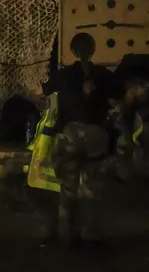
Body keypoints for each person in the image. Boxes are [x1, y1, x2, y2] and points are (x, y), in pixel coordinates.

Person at [42, 32, 123, 247]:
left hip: (69, 134)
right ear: (93, 50)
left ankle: (67, 233)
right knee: (92, 185)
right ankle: (91, 233)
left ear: (72, 51)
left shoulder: (64, 75)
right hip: (96, 134)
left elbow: (44, 90)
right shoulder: (104, 75)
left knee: (67, 186)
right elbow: (119, 94)